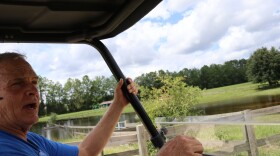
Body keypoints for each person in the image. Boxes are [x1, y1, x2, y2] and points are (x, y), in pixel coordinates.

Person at [0, 52, 204, 156]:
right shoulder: (5, 149)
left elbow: (86, 152)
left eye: (35, 82)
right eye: (17, 84)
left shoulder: (32, 141)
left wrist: (118, 104)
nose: (33, 91)